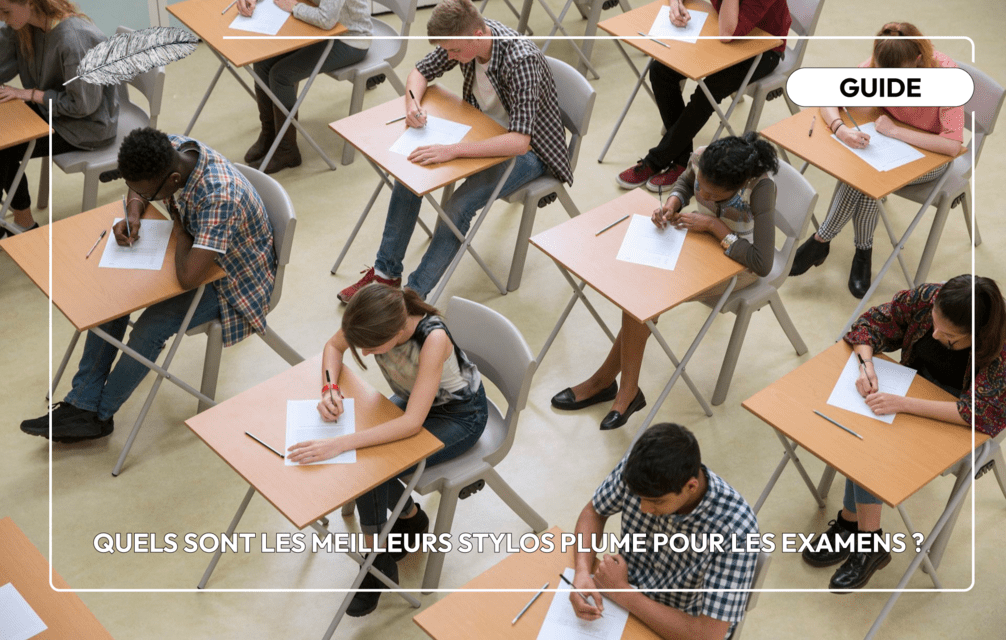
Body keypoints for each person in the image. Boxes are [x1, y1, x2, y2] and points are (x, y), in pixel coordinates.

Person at [20, 127, 276, 442]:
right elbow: (139, 190)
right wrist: (134, 212)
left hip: (235, 280)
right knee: (113, 295)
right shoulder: (169, 149)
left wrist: (181, 234)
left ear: (173, 182)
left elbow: (189, 277)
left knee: (152, 326)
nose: (141, 194)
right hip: (198, 250)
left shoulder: (218, 196)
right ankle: (82, 403)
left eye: (148, 193)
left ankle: (99, 416)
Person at [337, 0, 572, 303]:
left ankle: (413, 297)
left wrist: (453, 151)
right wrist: (413, 105)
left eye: (454, 52)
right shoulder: (463, 39)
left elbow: (519, 142)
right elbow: (419, 73)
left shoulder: (520, 60)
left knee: (457, 207)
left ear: (477, 35)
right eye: (446, 51)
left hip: (532, 152)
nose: (449, 58)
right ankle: (385, 275)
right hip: (482, 131)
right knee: (409, 175)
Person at [287, 283, 487, 616]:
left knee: (369, 467)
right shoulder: (375, 318)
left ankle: (376, 563)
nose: (364, 354)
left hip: (459, 416)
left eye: (372, 347)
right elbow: (333, 347)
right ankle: (408, 518)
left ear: (397, 331)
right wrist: (329, 388)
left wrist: (338, 443)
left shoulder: (433, 340)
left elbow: (411, 424)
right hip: (417, 402)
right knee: (365, 459)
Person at [553, 133, 777, 430]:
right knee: (642, 293)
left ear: (738, 185)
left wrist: (714, 225)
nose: (705, 198)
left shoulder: (760, 189)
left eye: (713, 197)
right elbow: (686, 182)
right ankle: (614, 386)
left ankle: (611, 385)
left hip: (738, 262)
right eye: (704, 192)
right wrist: (673, 202)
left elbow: (762, 263)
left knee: (646, 297)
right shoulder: (702, 156)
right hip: (698, 242)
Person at [802, 275, 1005, 590]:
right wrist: (865, 365)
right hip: (910, 388)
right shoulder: (927, 298)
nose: (935, 334)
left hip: (954, 416)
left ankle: (858, 530)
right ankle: (859, 531)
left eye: (949, 337)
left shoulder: (1000, 348)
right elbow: (869, 324)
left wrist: (904, 404)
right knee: (862, 431)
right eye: (934, 324)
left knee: (872, 442)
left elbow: (979, 414)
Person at [789, 22, 965, 298]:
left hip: (931, 156)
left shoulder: (945, 75)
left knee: (870, 177)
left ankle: (822, 238)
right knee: (866, 174)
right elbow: (828, 99)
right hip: (889, 141)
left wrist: (896, 132)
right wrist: (841, 129)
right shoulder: (879, 62)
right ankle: (862, 251)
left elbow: (953, 146)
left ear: (918, 60)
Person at [570, 422, 759, 640]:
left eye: (656, 502)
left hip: (678, 626)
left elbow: (707, 635)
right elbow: (594, 512)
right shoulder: (639, 468)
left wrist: (622, 592)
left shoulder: (737, 530)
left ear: (691, 486)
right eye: (638, 497)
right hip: (624, 605)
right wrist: (582, 570)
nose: (643, 508)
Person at [615, 0, 789, 193]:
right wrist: (675, 5)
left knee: (708, 90)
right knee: (660, 71)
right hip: (722, 33)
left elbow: (726, 33)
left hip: (764, 49)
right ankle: (683, 161)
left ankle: (655, 160)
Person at [0, 0, 117, 232]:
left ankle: (23, 223)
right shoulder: (24, 26)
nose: (2, 18)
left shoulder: (74, 39)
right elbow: (3, 64)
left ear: (30, 3)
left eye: (5, 11)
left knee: (5, 147)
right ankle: (20, 220)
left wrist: (31, 94)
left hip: (86, 126)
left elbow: (84, 106)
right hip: (52, 110)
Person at [236, 0, 372, 174]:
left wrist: (293, 7)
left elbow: (326, 19)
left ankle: (287, 150)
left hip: (349, 38)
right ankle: (269, 134)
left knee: (281, 76)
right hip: (318, 30)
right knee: (262, 63)